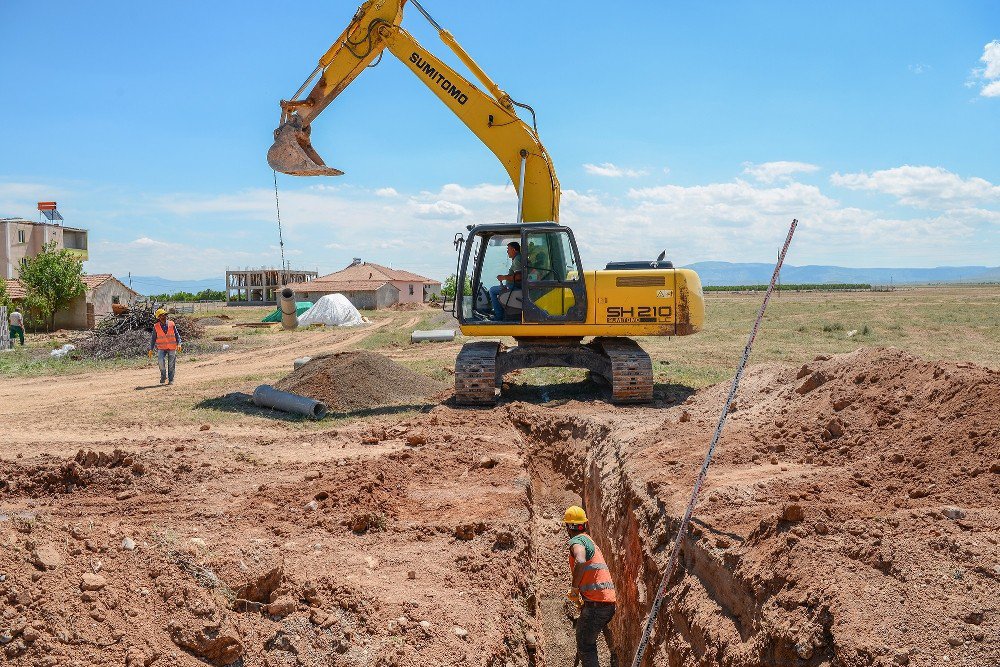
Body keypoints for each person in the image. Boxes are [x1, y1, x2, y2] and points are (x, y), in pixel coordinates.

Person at [564, 505, 616, 667]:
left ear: (567, 526)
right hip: (604, 603)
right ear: (585, 524)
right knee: (586, 639)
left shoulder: (577, 541)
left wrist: (574, 589)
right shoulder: (590, 541)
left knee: (585, 647)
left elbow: (580, 560)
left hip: (597, 606)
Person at [488, 241, 522, 320]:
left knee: (492, 290)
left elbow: (519, 276)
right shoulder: (518, 258)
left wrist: (503, 277)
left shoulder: (517, 259)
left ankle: (498, 316)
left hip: (513, 287)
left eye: (508, 249)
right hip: (513, 286)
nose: (507, 251)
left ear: (513, 250)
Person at [149, 308, 182, 385]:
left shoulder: (172, 324)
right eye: (161, 316)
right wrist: (151, 349)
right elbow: (153, 338)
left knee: (171, 364)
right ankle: (163, 376)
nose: (163, 317)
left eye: (164, 315)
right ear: (158, 318)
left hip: (172, 347)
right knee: (160, 361)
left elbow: (177, 335)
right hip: (161, 348)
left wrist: (179, 343)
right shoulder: (156, 326)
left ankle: (171, 379)